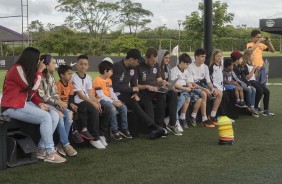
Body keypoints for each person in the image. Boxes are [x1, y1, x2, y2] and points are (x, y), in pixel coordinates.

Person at [1, 47, 66, 163]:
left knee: (54, 114)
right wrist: (40, 71)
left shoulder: (26, 70)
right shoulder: (17, 69)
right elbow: (30, 88)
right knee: (45, 117)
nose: (39, 62)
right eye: (37, 59)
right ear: (31, 58)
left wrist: (40, 102)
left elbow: (31, 94)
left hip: (23, 104)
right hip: (11, 106)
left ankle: (41, 149)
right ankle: (50, 152)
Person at [111, 49, 166, 139]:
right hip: (115, 94)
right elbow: (115, 87)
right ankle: (153, 126)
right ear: (131, 59)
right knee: (133, 102)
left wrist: (136, 93)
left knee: (145, 100)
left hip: (127, 92)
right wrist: (132, 89)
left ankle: (152, 130)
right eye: (137, 61)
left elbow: (134, 85)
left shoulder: (132, 68)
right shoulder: (117, 66)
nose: (138, 63)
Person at [71, 55, 109, 149]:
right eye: (81, 64)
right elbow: (80, 95)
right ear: (77, 65)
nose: (83, 66)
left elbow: (90, 94)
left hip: (87, 100)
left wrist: (97, 101)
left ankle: (101, 134)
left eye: (85, 64)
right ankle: (94, 139)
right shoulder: (74, 77)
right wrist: (93, 103)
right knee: (93, 108)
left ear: (88, 66)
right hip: (79, 102)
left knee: (105, 108)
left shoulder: (88, 77)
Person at [93, 60, 133, 140]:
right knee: (112, 108)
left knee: (123, 107)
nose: (112, 73)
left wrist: (117, 100)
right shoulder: (97, 80)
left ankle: (124, 129)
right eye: (111, 71)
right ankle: (114, 130)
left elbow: (111, 92)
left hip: (109, 99)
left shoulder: (109, 80)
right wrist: (113, 102)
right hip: (100, 100)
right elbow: (101, 96)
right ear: (105, 71)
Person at [136, 48, 170, 135]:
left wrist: (163, 82)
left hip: (154, 90)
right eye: (152, 61)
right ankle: (152, 128)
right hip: (142, 91)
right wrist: (147, 86)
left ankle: (161, 124)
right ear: (146, 58)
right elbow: (135, 85)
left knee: (164, 96)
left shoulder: (156, 65)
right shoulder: (138, 66)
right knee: (148, 103)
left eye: (155, 60)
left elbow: (158, 80)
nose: (154, 63)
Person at [188, 48, 223, 127]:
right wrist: (205, 89)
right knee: (204, 94)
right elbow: (192, 83)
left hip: (202, 84)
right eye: (202, 56)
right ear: (196, 57)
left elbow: (208, 82)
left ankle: (212, 116)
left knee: (219, 93)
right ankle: (204, 119)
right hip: (193, 86)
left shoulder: (205, 67)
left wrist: (213, 89)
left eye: (204, 57)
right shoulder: (190, 67)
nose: (204, 58)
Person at [170, 53, 202, 128]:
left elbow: (188, 81)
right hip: (179, 89)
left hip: (186, 88)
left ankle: (190, 116)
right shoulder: (174, 70)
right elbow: (173, 84)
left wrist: (191, 87)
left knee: (199, 99)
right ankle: (181, 118)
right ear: (181, 62)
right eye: (187, 64)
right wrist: (185, 88)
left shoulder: (186, 70)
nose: (188, 66)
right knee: (187, 99)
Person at [56, 65, 84, 144]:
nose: (71, 75)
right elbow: (57, 98)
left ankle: (76, 131)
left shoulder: (70, 84)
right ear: (62, 75)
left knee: (75, 109)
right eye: (68, 74)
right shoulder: (58, 85)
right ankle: (74, 131)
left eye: (71, 74)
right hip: (59, 105)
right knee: (69, 114)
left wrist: (71, 103)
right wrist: (68, 104)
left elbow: (71, 96)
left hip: (67, 104)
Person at [242, 49, 274, 116]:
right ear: (248, 56)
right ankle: (255, 108)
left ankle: (266, 111)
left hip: (254, 80)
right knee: (260, 90)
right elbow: (247, 77)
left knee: (267, 91)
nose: (253, 56)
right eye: (252, 55)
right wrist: (254, 68)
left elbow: (254, 75)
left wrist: (257, 70)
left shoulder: (251, 64)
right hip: (249, 81)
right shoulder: (244, 65)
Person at [158, 50, 182, 135]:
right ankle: (161, 124)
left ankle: (172, 124)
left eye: (169, 58)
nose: (168, 60)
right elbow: (156, 81)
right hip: (158, 90)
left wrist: (173, 87)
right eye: (166, 58)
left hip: (167, 89)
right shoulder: (157, 67)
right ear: (161, 58)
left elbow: (170, 80)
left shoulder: (168, 66)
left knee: (174, 94)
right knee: (163, 97)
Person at [230, 51, 259, 117]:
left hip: (242, 82)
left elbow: (243, 77)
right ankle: (248, 107)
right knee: (249, 90)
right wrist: (245, 84)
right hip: (237, 84)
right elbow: (236, 78)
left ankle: (252, 106)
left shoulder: (239, 66)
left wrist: (248, 83)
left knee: (253, 89)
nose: (242, 60)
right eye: (241, 59)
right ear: (237, 60)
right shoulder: (233, 67)